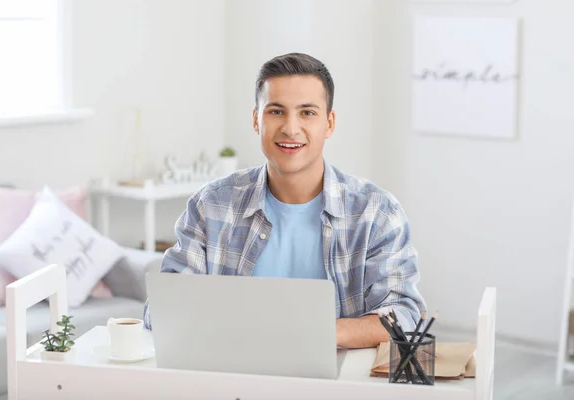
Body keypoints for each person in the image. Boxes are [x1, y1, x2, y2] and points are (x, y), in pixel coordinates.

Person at [143, 52, 426, 349]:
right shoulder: (211, 205)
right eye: (276, 111)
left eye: (307, 113)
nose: (291, 129)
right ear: (256, 119)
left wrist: (310, 333)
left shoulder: (377, 213)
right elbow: (161, 308)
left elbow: (403, 315)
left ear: (329, 123)